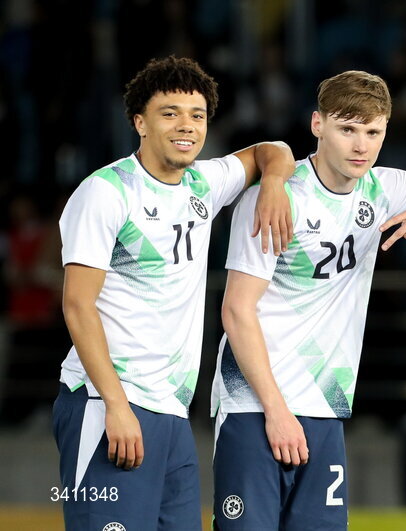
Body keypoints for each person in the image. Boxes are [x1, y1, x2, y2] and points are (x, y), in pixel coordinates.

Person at [209, 70, 406, 530]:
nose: (361, 145)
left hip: (324, 407)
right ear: (317, 125)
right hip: (255, 407)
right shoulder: (278, 198)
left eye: (373, 132)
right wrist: (276, 410)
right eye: (347, 129)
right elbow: (236, 311)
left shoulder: (382, 188)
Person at [52, 56, 294, 531]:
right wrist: (116, 406)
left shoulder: (204, 181)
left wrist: (274, 184)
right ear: (139, 122)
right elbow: (77, 305)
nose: (186, 126)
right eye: (169, 113)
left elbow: (274, 148)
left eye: (197, 115)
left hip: (172, 414)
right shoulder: (106, 192)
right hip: (106, 406)